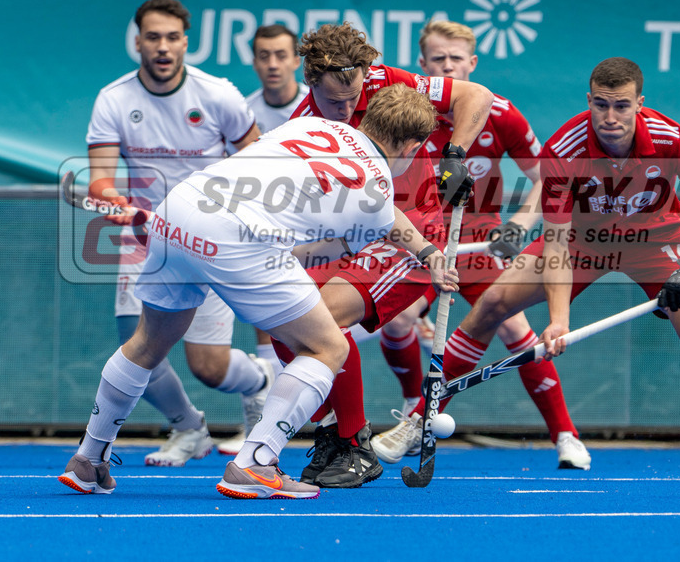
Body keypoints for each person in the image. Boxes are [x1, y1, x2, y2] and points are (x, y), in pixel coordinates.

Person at [58, 84, 457, 500]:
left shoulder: (312, 124)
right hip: (236, 236)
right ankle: (256, 464)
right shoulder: (376, 196)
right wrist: (429, 253)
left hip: (180, 208)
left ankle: (88, 459)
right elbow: (366, 226)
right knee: (328, 348)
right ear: (414, 145)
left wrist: (427, 252)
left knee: (146, 343)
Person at [429, 57, 680, 483]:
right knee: (493, 302)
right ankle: (422, 417)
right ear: (588, 100)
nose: (610, 117)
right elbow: (555, 242)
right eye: (601, 104)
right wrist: (559, 320)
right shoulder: (564, 150)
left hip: (656, 242)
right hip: (582, 242)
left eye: (621, 106)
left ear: (640, 104)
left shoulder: (669, 138)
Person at [269, 22, 492, 489]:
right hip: (353, 231)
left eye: (354, 98)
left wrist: (453, 156)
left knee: (323, 318)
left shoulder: (389, 79)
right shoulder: (300, 127)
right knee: (278, 314)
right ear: (310, 83)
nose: (349, 110)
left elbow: (477, 96)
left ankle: (353, 444)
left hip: (412, 229)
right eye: (336, 103)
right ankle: (333, 430)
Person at [370, 20, 590, 470]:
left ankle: (565, 435)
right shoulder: (405, 113)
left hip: (479, 244)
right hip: (416, 243)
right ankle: (417, 407)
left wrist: (519, 225)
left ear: (472, 64)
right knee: (396, 323)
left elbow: (547, 179)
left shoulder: (502, 114)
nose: (448, 67)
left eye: (456, 60)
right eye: (438, 60)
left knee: (514, 331)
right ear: (422, 66)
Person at [85, 0, 274, 468]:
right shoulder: (113, 99)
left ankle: (261, 382)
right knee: (135, 348)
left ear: (186, 42)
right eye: (153, 38)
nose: (163, 47)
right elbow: (101, 179)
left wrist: (235, 209)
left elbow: (258, 162)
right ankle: (189, 428)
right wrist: (115, 201)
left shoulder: (218, 95)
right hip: (145, 241)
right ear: (138, 42)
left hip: (210, 239)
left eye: (172, 38)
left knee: (208, 367)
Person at [216, 24, 310, 455]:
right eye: (263, 56)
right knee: (263, 324)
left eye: (280, 55)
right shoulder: (243, 114)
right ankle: (262, 427)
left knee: (377, 326)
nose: (272, 64)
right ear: (253, 61)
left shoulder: (316, 107)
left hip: (321, 231)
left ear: (296, 60)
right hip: (263, 234)